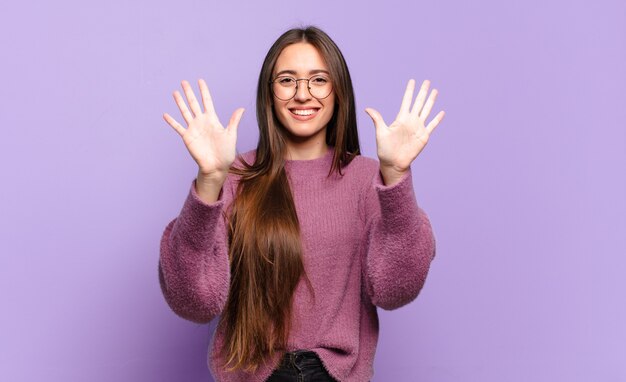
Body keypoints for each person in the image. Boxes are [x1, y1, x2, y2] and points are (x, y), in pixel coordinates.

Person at [159, 25, 445, 382]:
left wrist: (396, 175)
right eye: (287, 80)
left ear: (338, 91)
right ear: (270, 92)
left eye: (318, 80)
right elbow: (194, 302)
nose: (303, 94)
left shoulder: (366, 180)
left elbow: (393, 290)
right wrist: (209, 182)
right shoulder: (234, 177)